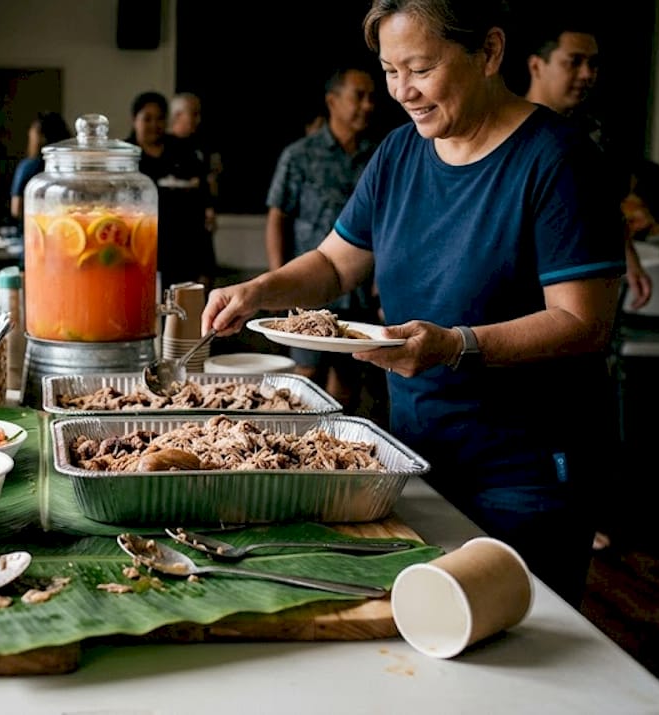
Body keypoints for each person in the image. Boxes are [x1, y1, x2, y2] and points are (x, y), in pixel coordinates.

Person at [201, 0, 624, 606]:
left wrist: (455, 346)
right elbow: (333, 263)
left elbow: (584, 323)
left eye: (420, 69)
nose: (403, 91)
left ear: (491, 52)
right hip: (417, 455)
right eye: (389, 70)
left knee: (521, 651)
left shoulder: (558, 161)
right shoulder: (399, 154)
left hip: (526, 474)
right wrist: (259, 290)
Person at [264, 67, 380, 410]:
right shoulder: (299, 155)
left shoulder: (378, 156)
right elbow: (277, 218)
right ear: (332, 101)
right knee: (305, 374)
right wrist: (277, 281)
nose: (368, 105)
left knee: (348, 379)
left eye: (372, 97)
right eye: (358, 96)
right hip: (309, 287)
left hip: (360, 289)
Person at [524, 20, 658, 310]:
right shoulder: (511, 134)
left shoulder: (593, 136)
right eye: (574, 62)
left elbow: (606, 208)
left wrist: (630, 259)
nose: (586, 74)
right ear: (537, 66)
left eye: (593, 64)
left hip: (587, 295)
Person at [127, 91, 214, 290]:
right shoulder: (125, 157)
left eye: (159, 119)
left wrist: (206, 266)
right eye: (147, 118)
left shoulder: (184, 153)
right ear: (134, 120)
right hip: (138, 253)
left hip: (184, 254)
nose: (154, 125)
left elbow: (201, 215)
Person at [168, 92, 222, 233]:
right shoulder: (163, 148)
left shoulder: (202, 147)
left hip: (199, 226)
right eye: (193, 114)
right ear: (178, 115)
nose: (198, 120)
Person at [9, 111, 71, 221]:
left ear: (40, 137)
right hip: (66, 225)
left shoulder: (27, 167)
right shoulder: (70, 166)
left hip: (34, 228)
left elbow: (16, 209)